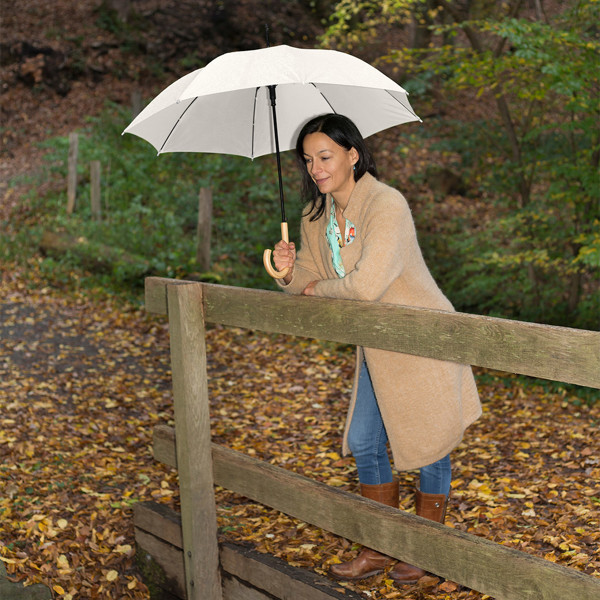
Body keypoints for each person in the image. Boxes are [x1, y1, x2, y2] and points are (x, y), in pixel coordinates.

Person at [272, 113, 481, 584]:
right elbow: (305, 279)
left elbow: (364, 287)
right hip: (380, 343)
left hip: (422, 335)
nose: (316, 168)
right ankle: (380, 547)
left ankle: (430, 553)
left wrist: (315, 288)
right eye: (307, 160)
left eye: (325, 156)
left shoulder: (387, 205)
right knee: (366, 441)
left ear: (353, 154)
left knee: (430, 444)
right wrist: (288, 273)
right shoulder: (315, 216)